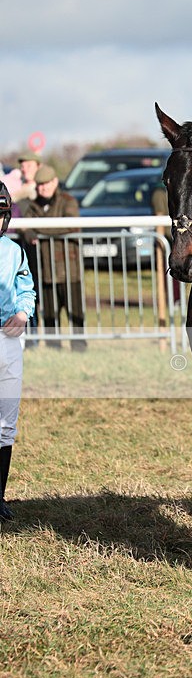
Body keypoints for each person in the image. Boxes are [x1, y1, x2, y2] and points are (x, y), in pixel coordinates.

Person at [21, 165, 86, 351]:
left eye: (47, 183)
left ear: (55, 182)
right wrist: (30, 232)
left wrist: (39, 230)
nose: (44, 188)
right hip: (45, 268)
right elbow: (24, 228)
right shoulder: (33, 206)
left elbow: (70, 226)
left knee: (75, 310)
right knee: (49, 312)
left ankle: (79, 345)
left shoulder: (68, 201)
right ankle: (52, 346)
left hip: (69, 267)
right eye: (40, 184)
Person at [0, 182, 36, 520]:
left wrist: (24, 312)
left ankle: (0, 496)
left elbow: (27, 289)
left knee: (5, 425)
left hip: (8, 340)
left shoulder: (13, 251)